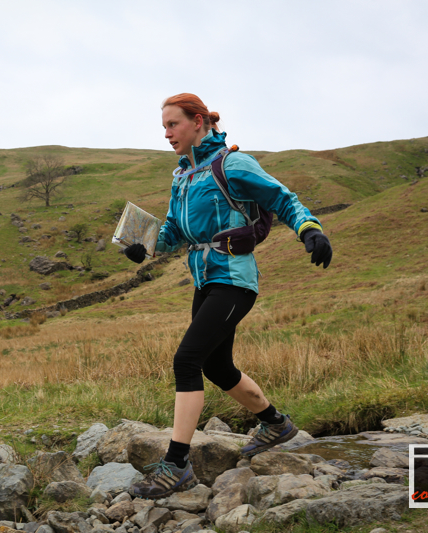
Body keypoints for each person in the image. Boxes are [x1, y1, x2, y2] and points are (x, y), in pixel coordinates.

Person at [123, 93, 332, 499]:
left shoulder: (233, 164)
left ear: (198, 121)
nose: (166, 134)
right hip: (206, 281)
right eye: (164, 127)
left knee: (186, 360)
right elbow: (173, 233)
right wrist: (144, 246)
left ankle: (177, 465)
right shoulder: (182, 176)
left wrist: (310, 229)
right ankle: (276, 424)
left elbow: (282, 197)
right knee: (216, 366)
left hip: (234, 279)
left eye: (173, 125)